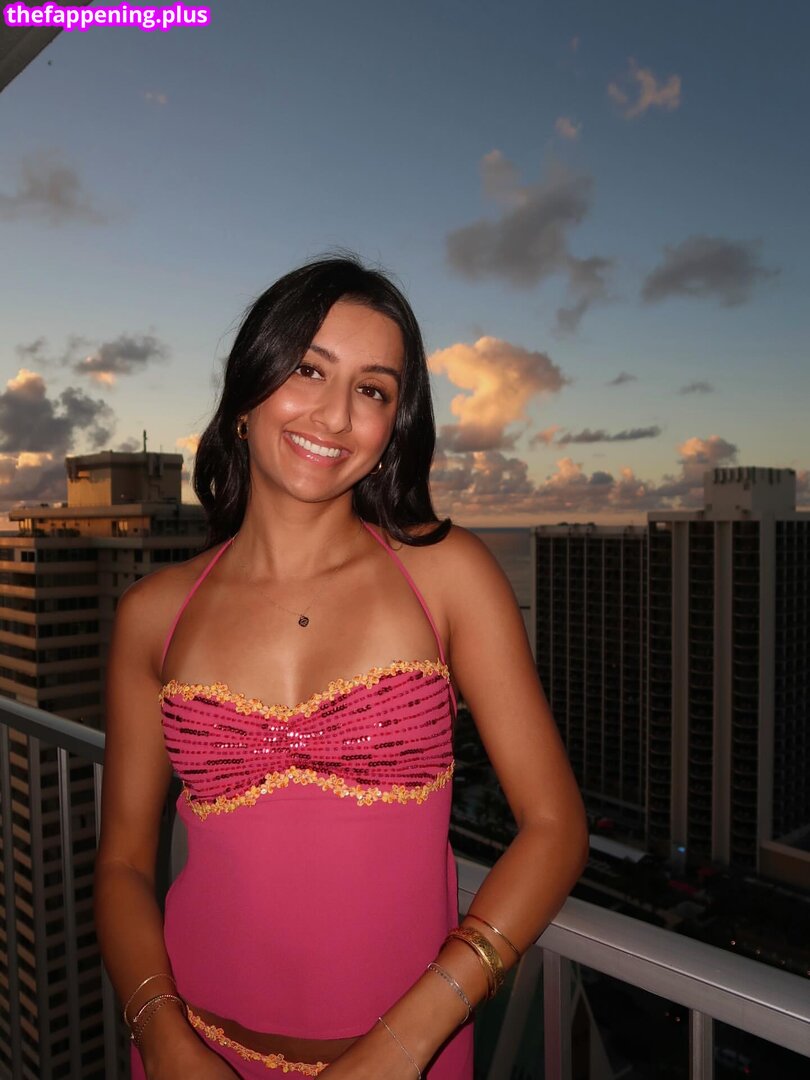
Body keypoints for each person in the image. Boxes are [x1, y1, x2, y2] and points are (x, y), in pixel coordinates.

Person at [94, 254, 588, 1079]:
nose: (334, 414)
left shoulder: (447, 577)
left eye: (373, 390)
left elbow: (555, 827)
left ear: (395, 426)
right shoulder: (154, 613)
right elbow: (122, 865)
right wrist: (164, 1039)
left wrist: (405, 1044)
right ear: (246, 394)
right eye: (307, 369)